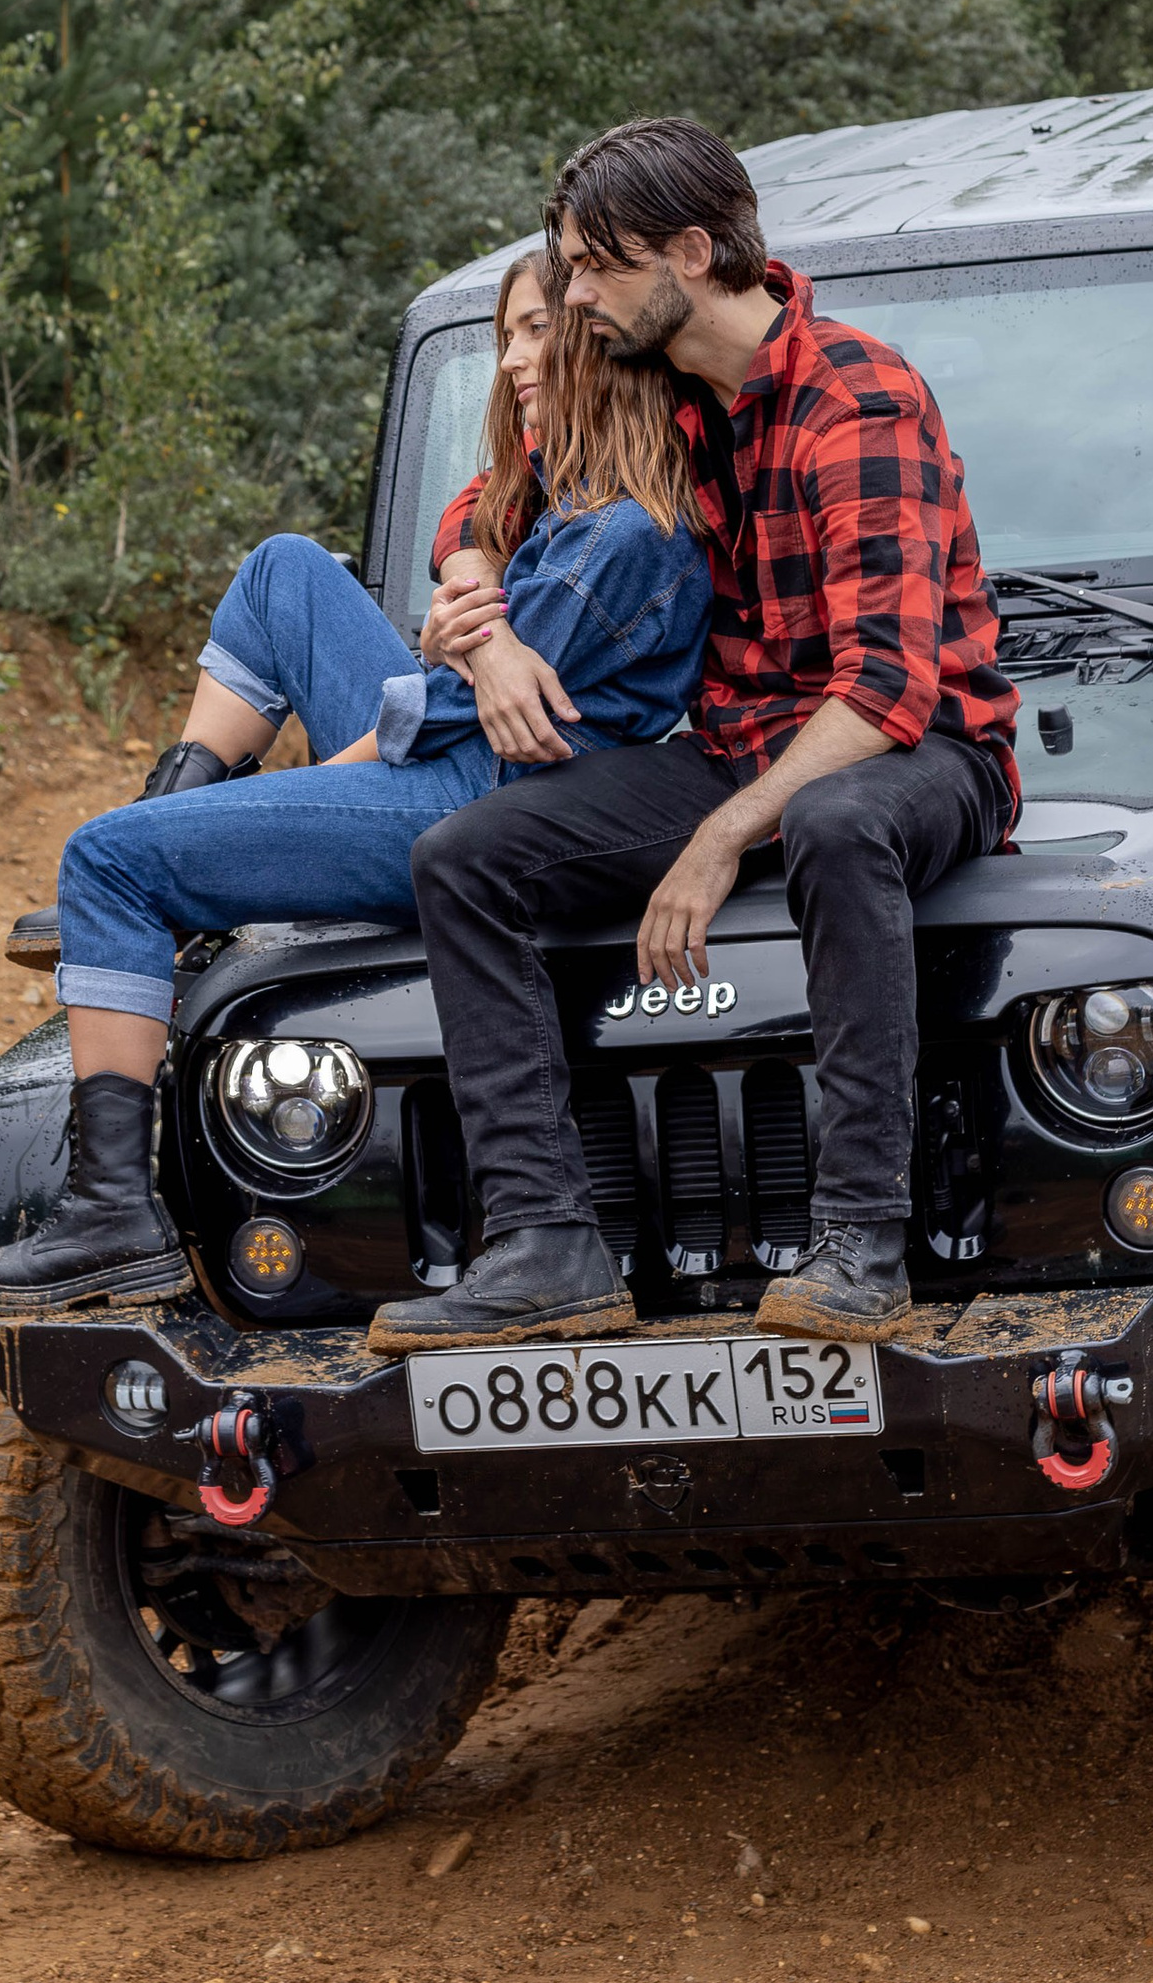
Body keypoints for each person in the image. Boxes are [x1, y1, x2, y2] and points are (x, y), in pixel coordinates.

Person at [370, 116, 1017, 1360]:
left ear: (692, 250)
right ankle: (544, 1245)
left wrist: (721, 837)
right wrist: (486, 624)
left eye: (597, 269)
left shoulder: (856, 399)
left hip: (923, 753)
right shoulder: (664, 394)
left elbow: (884, 694)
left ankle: (860, 1243)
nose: (575, 299)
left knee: (830, 818)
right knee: (465, 855)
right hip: (740, 743)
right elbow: (482, 501)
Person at [0, 247, 715, 1308]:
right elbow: (471, 532)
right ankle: (172, 832)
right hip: (463, 751)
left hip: (483, 798)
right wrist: (467, 584)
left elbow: (442, 723)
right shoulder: (570, 495)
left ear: (609, 338)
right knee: (286, 569)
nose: (511, 360)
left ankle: (111, 1210)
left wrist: (292, 793)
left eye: (537, 331)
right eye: (505, 335)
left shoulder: (624, 534)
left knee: (106, 861)